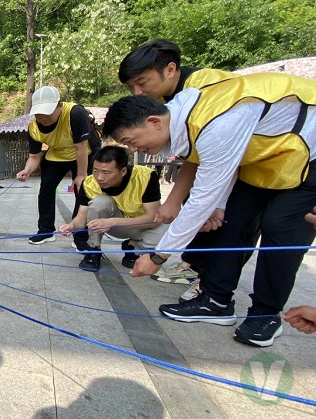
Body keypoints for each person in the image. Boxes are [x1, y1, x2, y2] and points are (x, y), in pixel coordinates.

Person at [102, 71, 316, 347]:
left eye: (131, 141)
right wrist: (220, 205)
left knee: (280, 226)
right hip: (264, 159)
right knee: (233, 222)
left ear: (154, 122)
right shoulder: (188, 110)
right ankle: (215, 301)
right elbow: (220, 170)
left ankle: (265, 315)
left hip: (309, 154)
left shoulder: (216, 125)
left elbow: (201, 199)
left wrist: (158, 256)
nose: (133, 149)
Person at [118, 39, 237, 289]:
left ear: (170, 69)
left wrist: (158, 256)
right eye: (131, 87)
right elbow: (192, 156)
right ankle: (197, 269)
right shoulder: (164, 98)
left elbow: (202, 156)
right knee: (205, 211)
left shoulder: (200, 93)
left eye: (142, 83)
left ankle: (213, 291)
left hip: (287, 156)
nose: (137, 92)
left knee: (234, 219)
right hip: (227, 160)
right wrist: (178, 200)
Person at [58, 146, 170, 274]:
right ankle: (94, 249)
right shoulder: (88, 183)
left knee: (166, 239)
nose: (99, 177)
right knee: (100, 202)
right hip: (112, 227)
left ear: (123, 171)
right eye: (95, 170)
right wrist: (72, 225)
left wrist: (112, 222)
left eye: (106, 172)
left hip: (141, 225)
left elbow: (153, 219)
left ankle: (132, 247)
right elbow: (82, 217)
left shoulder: (145, 177)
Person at [16, 86, 100, 246]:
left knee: (83, 191)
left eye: (47, 113)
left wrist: (81, 175)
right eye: (39, 114)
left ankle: (80, 235)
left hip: (85, 154)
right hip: (57, 154)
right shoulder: (33, 128)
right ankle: (45, 230)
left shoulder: (75, 113)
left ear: (60, 106)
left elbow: (81, 147)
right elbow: (34, 156)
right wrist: (27, 170)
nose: (43, 118)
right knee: (46, 189)